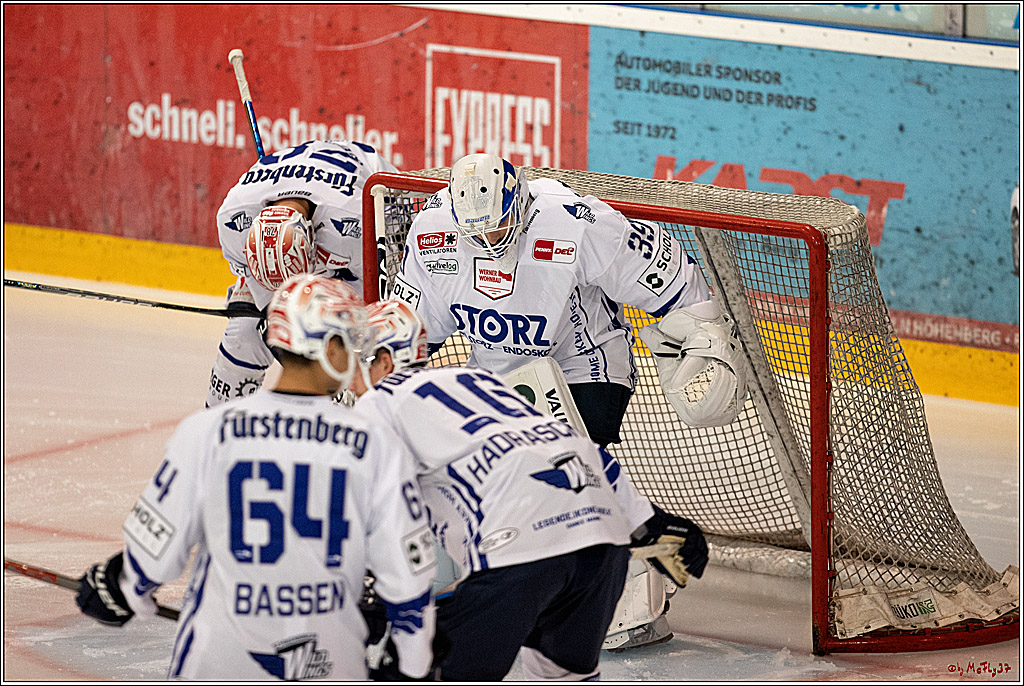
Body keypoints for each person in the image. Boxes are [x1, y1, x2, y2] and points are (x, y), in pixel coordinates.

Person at [389, 152, 742, 648]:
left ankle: (626, 594)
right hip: (499, 379)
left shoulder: (574, 220)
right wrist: (387, 379)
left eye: (499, 229)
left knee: (561, 476)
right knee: (468, 473)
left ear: (519, 201)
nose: (491, 243)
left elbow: (661, 268)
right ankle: (507, 574)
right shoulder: (433, 232)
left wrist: (702, 333)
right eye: (479, 235)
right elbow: (412, 325)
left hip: (587, 368)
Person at [75, 275, 436, 680]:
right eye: (350, 341)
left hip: (217, 662)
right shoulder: (375, 443)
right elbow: (408, 578)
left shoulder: (208, 431)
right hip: (330, 662)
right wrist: (411, 665)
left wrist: (118, 587)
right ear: (329, 348)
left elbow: (152, 554)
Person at [349, 299, 708, 680]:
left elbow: (372, 508)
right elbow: (568, 445)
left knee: (415, 672)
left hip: (519, 550)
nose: (347, 375)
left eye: (355, 360)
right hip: (601, 545)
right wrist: (649, 521)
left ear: (385, 361)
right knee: (564, 676)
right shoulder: (482, 383)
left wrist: (375, 591)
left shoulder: (378, 404)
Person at [207, 139, 398, 408]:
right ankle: (219, 425)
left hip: (372, 184)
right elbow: (276, 313)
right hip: (307, 183)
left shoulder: (355, 222)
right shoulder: (232, 219)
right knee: (243, 332)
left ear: (311, 235)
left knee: (362, 344)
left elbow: (378, 294)